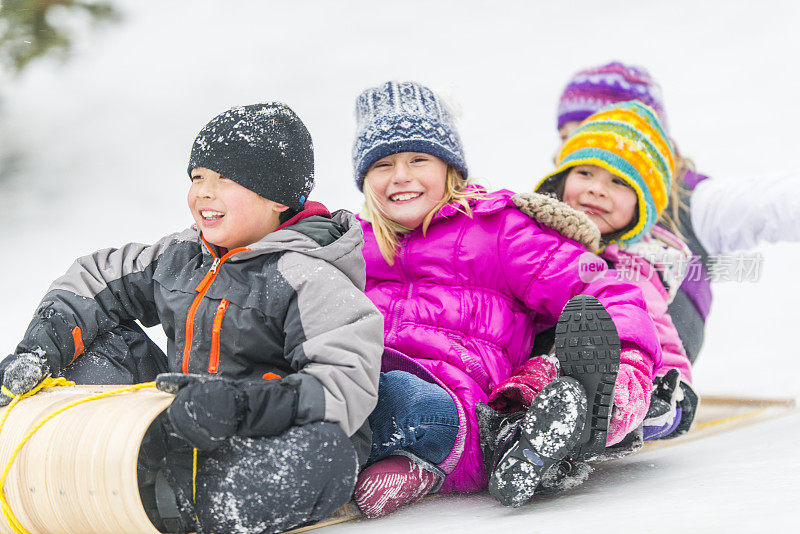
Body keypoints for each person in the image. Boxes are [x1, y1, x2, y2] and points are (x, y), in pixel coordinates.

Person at [0, 103, 384, 534]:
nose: (203, 192)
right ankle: (80, 463)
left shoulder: (309, 277)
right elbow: (95, 278)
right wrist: (40, 348)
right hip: (181, 422)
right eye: (198, 177)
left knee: (324, 451)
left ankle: (194, 501)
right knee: (99, 342)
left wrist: (239, 405)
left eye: (224, 180)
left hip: (263, 435)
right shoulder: (181, 257)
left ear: (275, 196)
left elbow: (342, 385)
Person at [348, 80, 662, 514]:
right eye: (383, 164)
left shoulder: (497, 232)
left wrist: (630, 362)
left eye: (418, 159)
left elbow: (602, 287)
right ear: (365, 179)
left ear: (449, 168)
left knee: (398, 394)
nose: (401, 177)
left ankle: (540, 433)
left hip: (454, 411)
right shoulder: (350, 248)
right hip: (357, 388)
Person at [486, 103, 699, 497]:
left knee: (611, 388)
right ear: (562, 177)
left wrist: (674, 387)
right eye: (585, 172)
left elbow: (656, 334)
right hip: (532, 367)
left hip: (631, 374)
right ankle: (524, 437)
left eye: (619, 182)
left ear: (642, 206)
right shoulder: (529, 240)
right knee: (539, 374)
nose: (597, 188)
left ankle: (590, 421)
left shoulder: (632, 267)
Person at [555, 61, 800, 364]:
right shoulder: (564, 198)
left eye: (587, 133)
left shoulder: (693, 202)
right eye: (565, 138)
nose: (566, 151)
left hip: (657, 354)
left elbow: (774, 201)